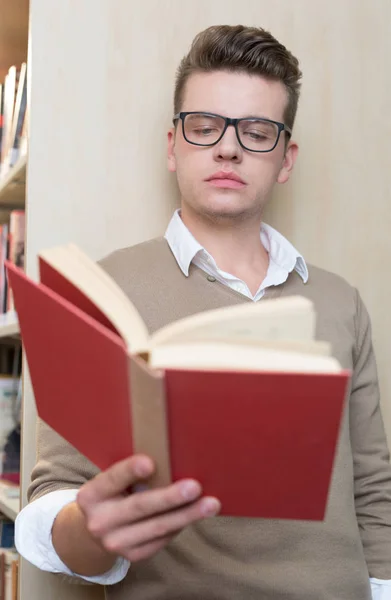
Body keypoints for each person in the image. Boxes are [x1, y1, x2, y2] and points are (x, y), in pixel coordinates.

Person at [15, 24, 391, 600]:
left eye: (257, 131)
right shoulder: (104, 288)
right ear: (172, 146)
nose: (229, 147)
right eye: (204, 125)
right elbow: (56, 497)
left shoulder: (341, 300)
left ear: (286, 159)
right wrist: (89, 531)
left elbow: (374, 489)